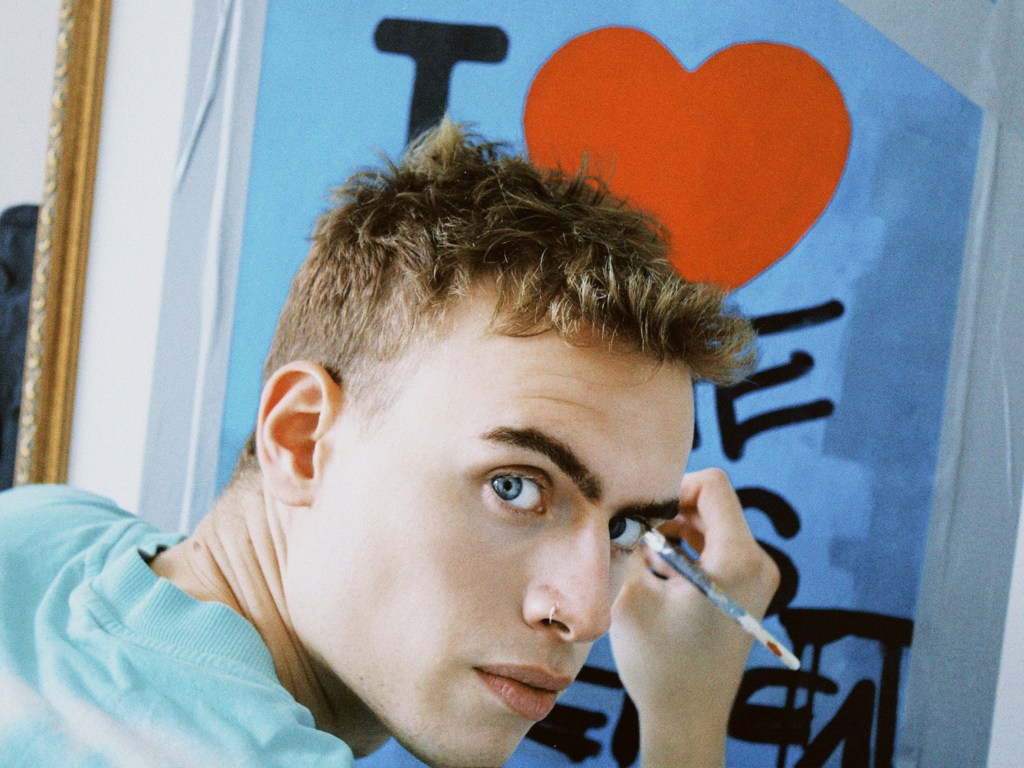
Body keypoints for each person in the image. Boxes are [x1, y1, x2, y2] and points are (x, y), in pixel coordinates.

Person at [0, 120, 779, 767]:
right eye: (514, 485)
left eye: (626, 527)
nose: (585, 613)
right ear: (301, 438)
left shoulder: (49, 526)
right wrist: (684, 727)